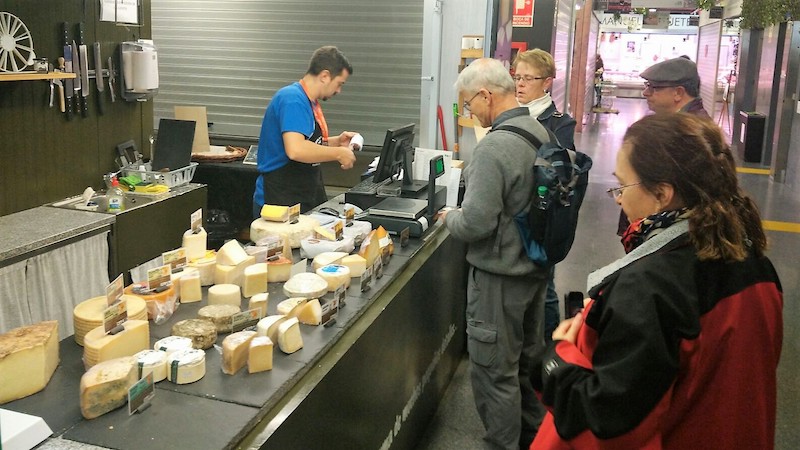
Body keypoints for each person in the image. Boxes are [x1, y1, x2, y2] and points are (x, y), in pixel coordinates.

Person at [529, 113, 783, 449]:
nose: (618, 198)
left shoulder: (648, 288)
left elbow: (610, 426)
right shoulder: (755, 263)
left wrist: (558, 361)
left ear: (662, 194)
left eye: (622, 186)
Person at [438, 57, 550, 450]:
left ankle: (502, 444)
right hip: (534, 270)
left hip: (498, 278)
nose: (470, 114)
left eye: (469, 105)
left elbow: (475, 224)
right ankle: (534, 440)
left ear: (486, 95)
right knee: (523, 366)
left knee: (493, 372)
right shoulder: (538, 131)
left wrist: (448, 217)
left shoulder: (493, 148)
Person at [512, 48, 577, 343]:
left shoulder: (560, 123)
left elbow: (556, 170)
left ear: (547, 82)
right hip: (515, 214)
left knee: (545, 286)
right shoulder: (510, 114)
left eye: (529, 78)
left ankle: (551, 346)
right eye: (517, 77)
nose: (520, 84)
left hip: (542, 216)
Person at [253, 46, 358, 216]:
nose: (339, 91)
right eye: (339, 84)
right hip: (279, 201)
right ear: (324, 76)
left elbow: (307, 142)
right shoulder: (293, 99)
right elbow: (296, 150)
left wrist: (335, 141)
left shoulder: (310, 101)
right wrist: (338, 153)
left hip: (300, 194)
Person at [640, 57, 711, 119]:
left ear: (678, 93)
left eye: (653, 87)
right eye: (647, 85)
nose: (645, 93)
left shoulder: (691, 131)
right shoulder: (682, 122)